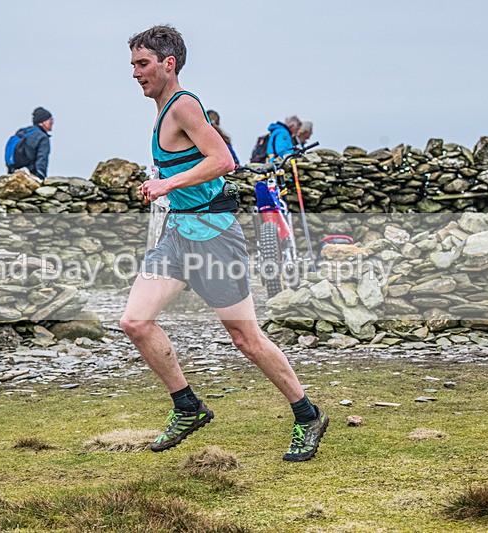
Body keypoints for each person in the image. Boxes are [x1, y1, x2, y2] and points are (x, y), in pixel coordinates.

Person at [123, 25, 328, 462]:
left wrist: (169, 182)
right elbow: (193, 167)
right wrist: (164, 184)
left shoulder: (184, 106)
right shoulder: (163, 109)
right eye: (133, 65)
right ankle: (188, 406)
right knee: (134, 322)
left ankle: (307, 414)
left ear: (168, 63)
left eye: (143, 64)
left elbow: (224, 161)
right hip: (179, 233)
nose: (136, 73)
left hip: (215, 237)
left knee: (245, 338)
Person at [5, 107, 53, 179]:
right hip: (30, 173)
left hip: (14, 171)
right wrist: (41, 178)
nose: (52, 122)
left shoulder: (23, 132)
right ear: (43, 122)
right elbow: (42, 159)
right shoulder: (42, 137)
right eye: (50, 120)